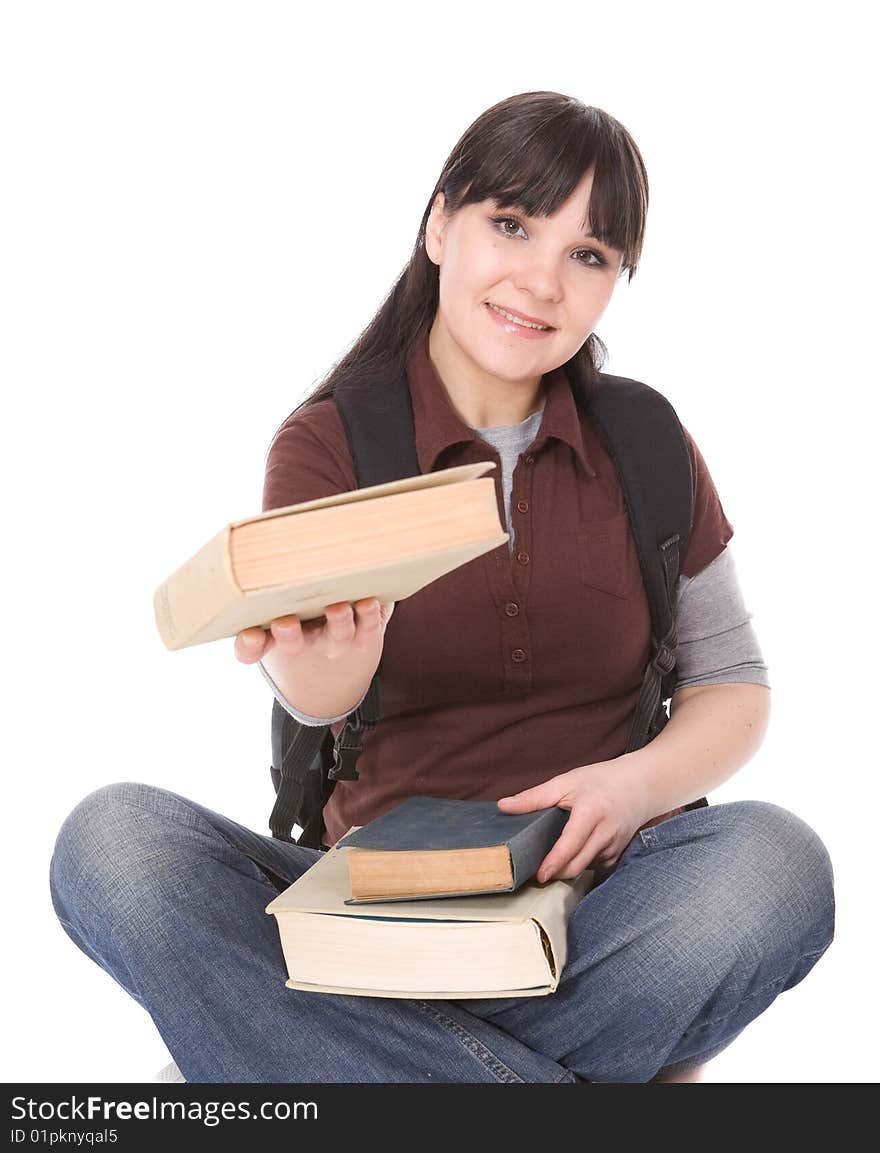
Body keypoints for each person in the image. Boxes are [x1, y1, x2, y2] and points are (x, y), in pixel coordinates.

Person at [49, 91, 835, 1084]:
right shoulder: (330, 440)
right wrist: (326, 670)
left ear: (614, 281)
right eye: (510, 224)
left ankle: (319, 1069)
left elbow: (733, 680)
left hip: (600, 919)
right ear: (437, 224)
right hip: (372, 923)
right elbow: (314, 692)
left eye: (587, 255)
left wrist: (634, 785)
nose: (539, 281)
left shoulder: (644, 441)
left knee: (775, 861)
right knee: (110, 844)